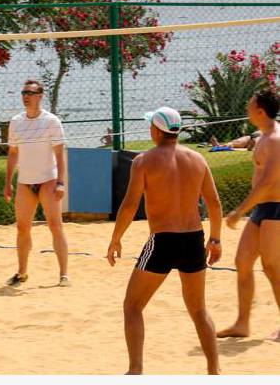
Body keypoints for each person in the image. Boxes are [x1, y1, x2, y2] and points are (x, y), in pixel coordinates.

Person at [107, 106, 223, 375]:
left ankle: (135, 370)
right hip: (193, 239)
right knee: (199, 311)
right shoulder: (197, 159)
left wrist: (115, 239)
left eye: (151, 126)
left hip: (163, 240)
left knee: (132, 306)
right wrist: (215, 239)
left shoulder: (143, 161)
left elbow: (129, 205)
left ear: (157, 130)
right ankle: (214, 372)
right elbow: (215, 204)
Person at [218, 89, 280, 341]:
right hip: (263, 208)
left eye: (250, 105)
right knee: (243, 261)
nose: (247, 108)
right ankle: (242, 324)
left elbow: (267, 182)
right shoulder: (263, 137)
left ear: (260, 111)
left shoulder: (275, 139)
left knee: (272, 267)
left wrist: (239, 211)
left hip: (276, 207)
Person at [4, 79, 70, 287]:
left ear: (40, 96)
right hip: (25, 182)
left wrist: (61, 182)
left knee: (55, 226)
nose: (26, 96)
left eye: (30, 93)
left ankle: (63, 275)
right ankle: (22, 273)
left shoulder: (51, 121)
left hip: (48, 180)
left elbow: (59, 155)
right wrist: (8, 182)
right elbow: (13, 153)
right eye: (24, 93)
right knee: (22, 228)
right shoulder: (16, 121)